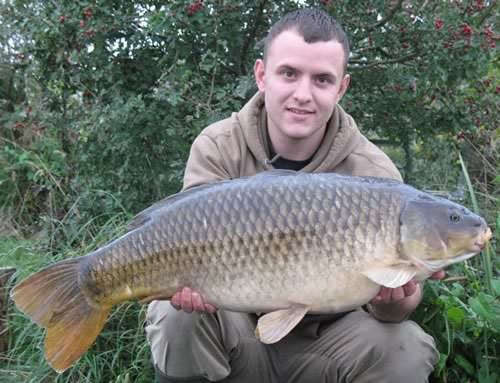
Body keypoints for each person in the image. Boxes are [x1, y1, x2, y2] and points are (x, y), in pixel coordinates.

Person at [145, 8, 442, 383]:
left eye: (321, 79)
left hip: (328, 343)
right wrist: (186, 288)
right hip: (237, 334)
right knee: (175, 317)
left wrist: (398, 302)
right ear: (261, 75)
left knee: (405, 347)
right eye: (289, 73)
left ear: (341, 87)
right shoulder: (219, 146)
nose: (303, 94)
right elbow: (181, 237)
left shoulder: (374, 175)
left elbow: (391, 313)